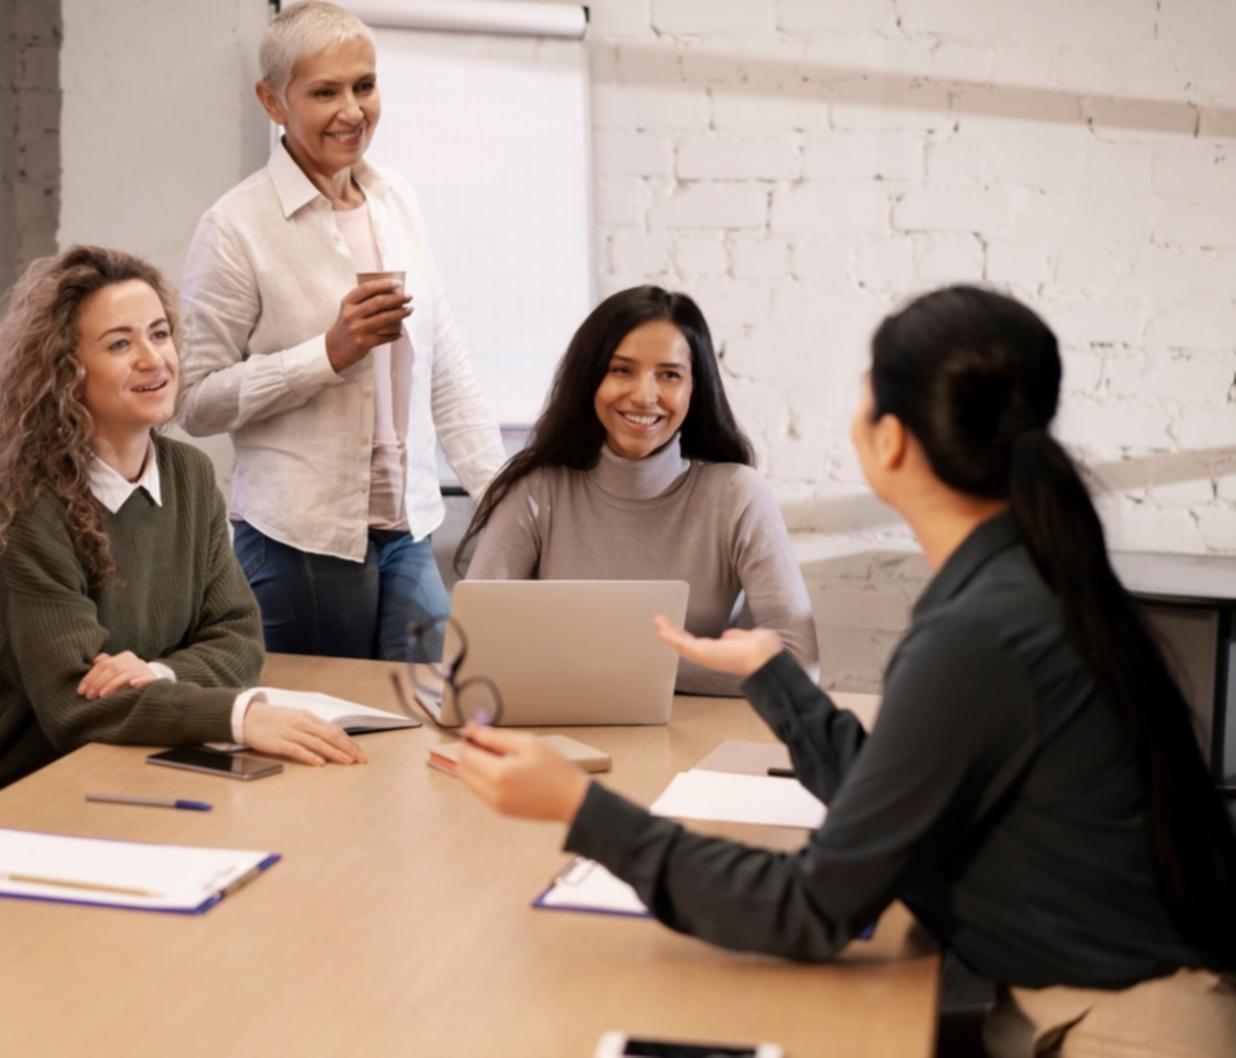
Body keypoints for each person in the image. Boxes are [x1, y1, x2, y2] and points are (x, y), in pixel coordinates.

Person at [454, 286, 1236, 1055]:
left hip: (1117, 1028)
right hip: (1071, 997)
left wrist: (586, 812)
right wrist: (773, 676)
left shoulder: (976, 632)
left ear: (891, 442)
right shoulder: (1014, 583)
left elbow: (809, 909)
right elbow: (888, 796)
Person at [0, 246, 365, 799]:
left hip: (126, 760)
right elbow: (74, 707)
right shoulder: (29, 508)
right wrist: (238, 717)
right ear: (65, 370)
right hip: (15, 783)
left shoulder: (189, 475)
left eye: (159, 334)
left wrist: (157, 674)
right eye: (119, 343)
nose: (153, 359)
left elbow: (238, 639)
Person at [176, 1, 505, 662]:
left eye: (365, 85)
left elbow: (446, 366)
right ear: (273, 101)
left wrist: (505, 498)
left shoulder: (397, 199)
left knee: (422, 725)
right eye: (325, 91)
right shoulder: (235, 225)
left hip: (407, 531)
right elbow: (195, 401)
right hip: (299, 541)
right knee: (324, 744)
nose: (352, 110)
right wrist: (327, 353)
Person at [461, 286, 817, 694]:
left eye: (669, 375)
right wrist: (675, 663)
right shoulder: (536, 492)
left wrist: (595, 663)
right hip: (563, 734)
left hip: (694, 737)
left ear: (694, 389)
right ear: (589, 379)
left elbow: (798, 666)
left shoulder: (737, 494)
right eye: (621, 370)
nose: (645, 396)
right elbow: (472, 652)